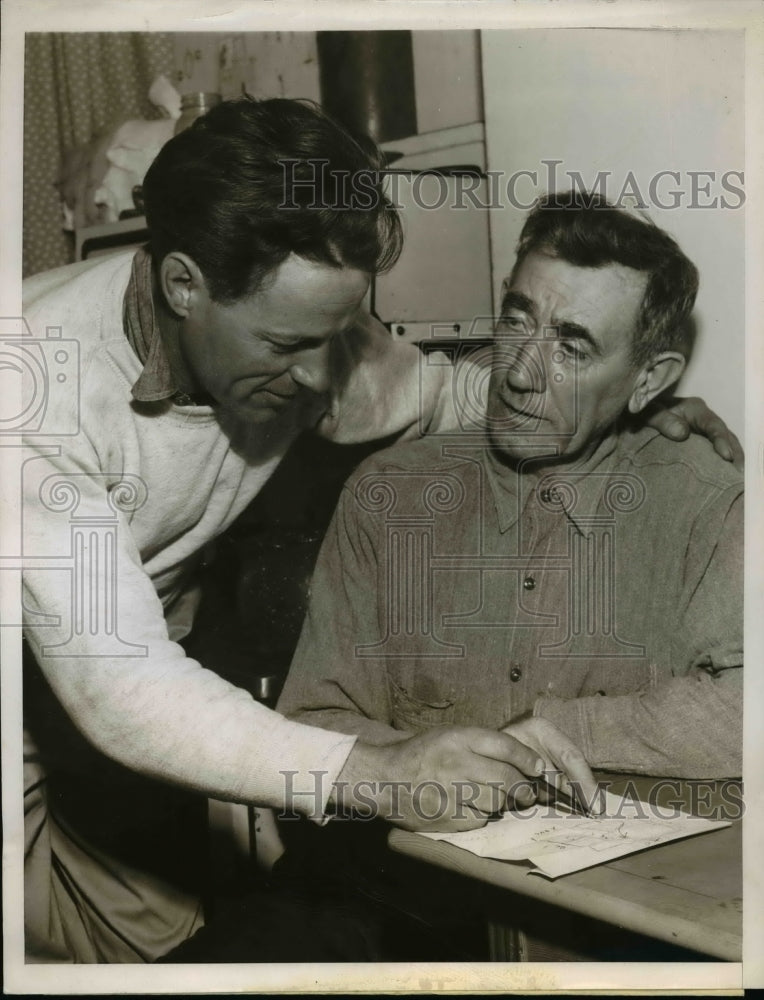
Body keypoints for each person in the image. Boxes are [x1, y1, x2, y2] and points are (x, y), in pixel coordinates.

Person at [20, 96, 738, 965]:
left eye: (341, 333)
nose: (326, 375)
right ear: (183, 286)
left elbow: (441, 393)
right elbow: (125, 690)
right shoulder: (32, 400)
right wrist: (381, 774)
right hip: (86, 670)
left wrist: (636, 414)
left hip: (128, 677)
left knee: (148, 960)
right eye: (291, 343)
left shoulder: (305, 327)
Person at [278, 190, 743, 782]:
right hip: (406, 867)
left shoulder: (702, 504)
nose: (519, 372)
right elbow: (312, 721)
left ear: (648, 379)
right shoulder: (391, 496)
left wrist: (561, 733)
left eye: (571, 347)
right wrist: (408, 766)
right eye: (516, 320)